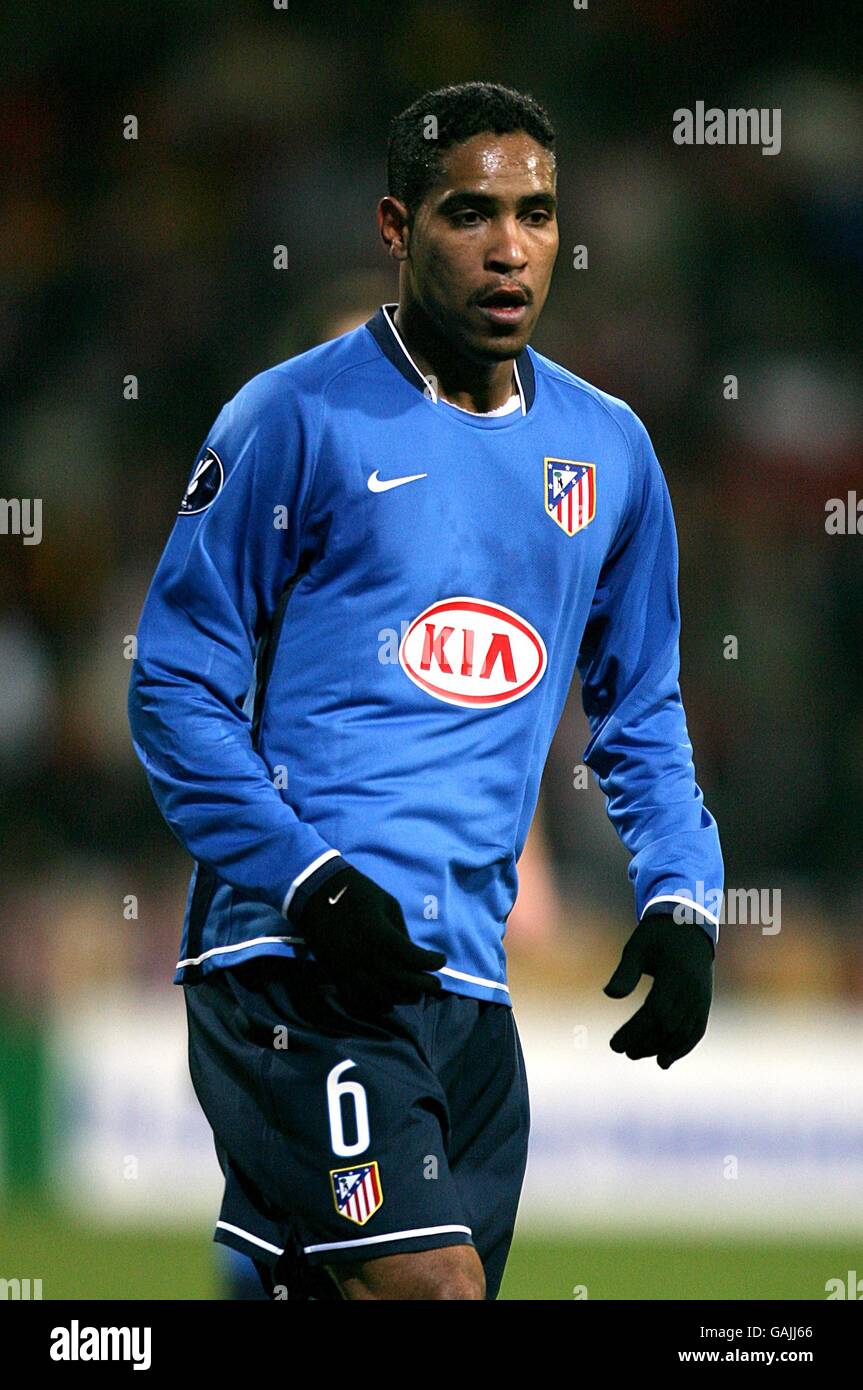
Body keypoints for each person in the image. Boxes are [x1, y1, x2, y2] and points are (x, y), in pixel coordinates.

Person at [128, 81, 722, 1302]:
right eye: (469, 213)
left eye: (537, 213)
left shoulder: (606, 452)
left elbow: (641, 707)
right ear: (395, 228)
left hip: (463, 989)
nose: (509, 247)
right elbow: (174, 687)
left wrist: (681, 894)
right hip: (292, 959)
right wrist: (306, 875)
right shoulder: (291, 418)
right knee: (432, 1292)